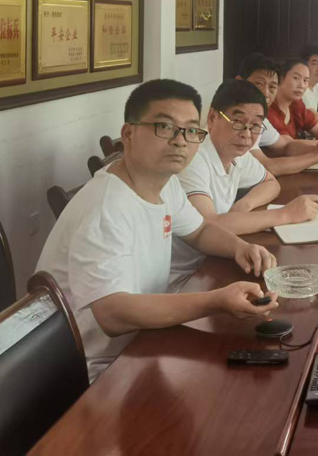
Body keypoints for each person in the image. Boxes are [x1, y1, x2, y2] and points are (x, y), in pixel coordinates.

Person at [36, 79, 279, 382]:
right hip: (96, 369)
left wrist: (240, 248)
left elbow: (200, 231)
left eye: (190, 130)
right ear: (128, 134)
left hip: (145, 341)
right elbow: (113, 314)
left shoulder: (166, 184)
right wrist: (216, 301)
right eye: (165, 127)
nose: (180, 141)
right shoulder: (105, 207)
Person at [171, 79, 318, 280]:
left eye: (255, 126)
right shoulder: (194, 156)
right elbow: (208, 225)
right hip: (184, 276)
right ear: (212, 117)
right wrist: (286, 214)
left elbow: (271, 183)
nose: (246, 134)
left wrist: (245, 204)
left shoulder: (237, 153)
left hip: (213, 261)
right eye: (238, 122)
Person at [236, 52, 318, 175]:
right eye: (259, 84)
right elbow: (268, 168)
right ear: (239, 82)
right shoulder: (235, 119)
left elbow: (286, 145)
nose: (265, 94)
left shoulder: (260, 119)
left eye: (272, 87)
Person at [268, 58, 318, 141]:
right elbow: (288, 145)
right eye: (296, 78)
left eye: (305, 80)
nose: (302, 85)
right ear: (280, 78)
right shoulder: (269, 109)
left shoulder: (296, 103)